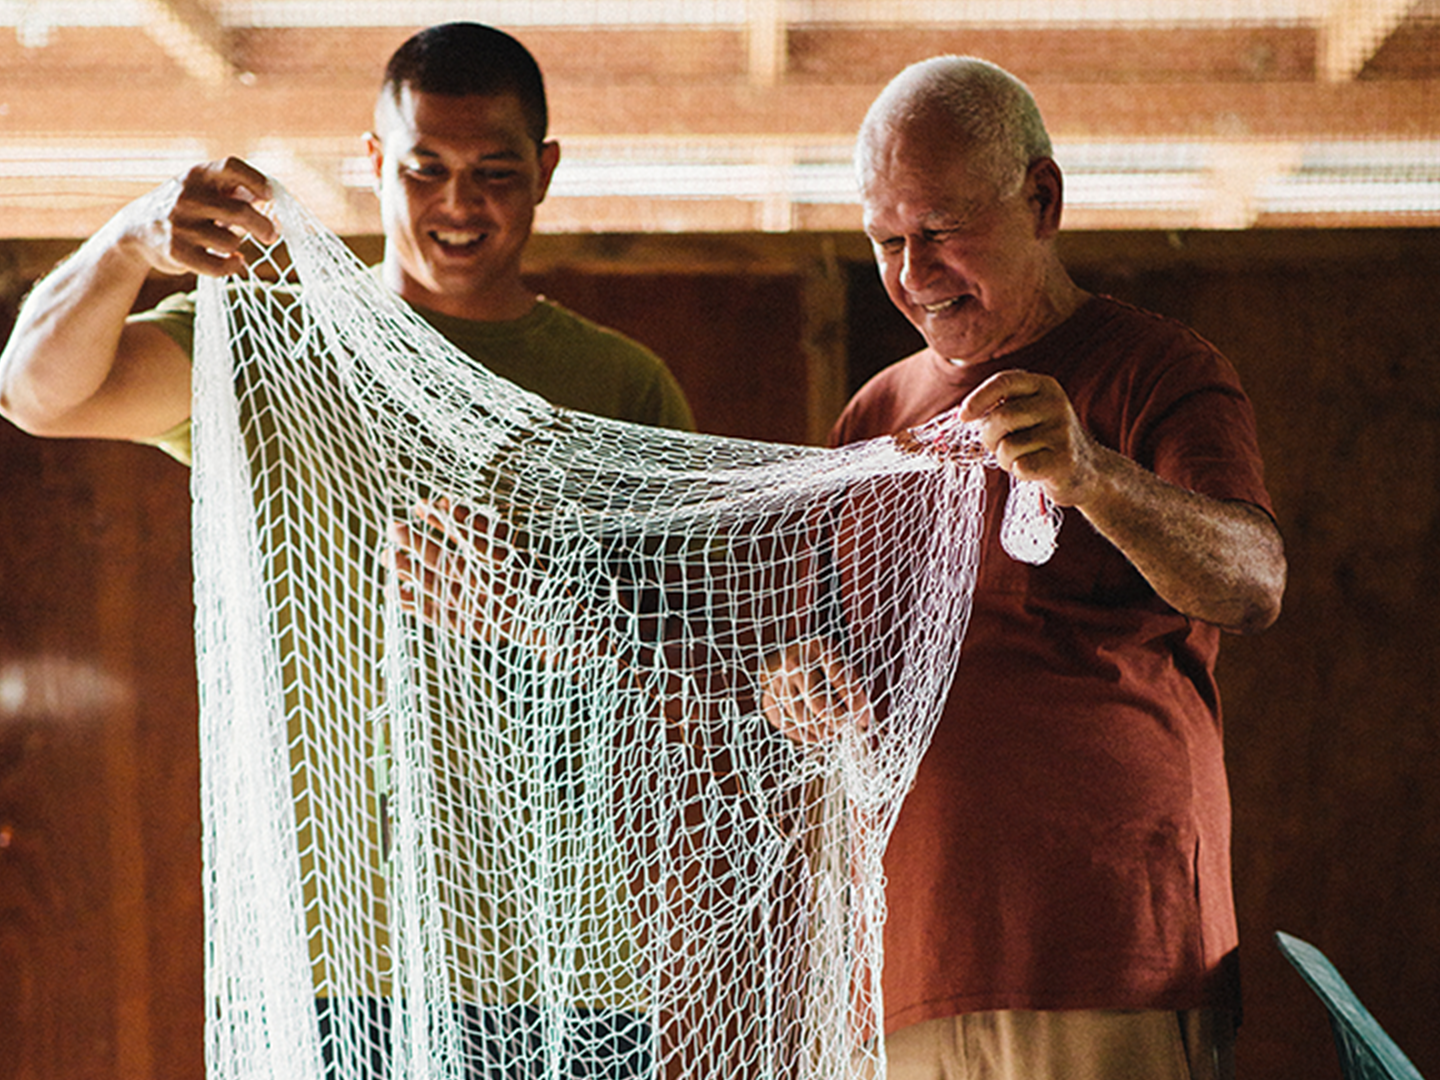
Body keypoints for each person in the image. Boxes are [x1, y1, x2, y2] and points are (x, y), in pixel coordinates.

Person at [0, 21, 692, 1080]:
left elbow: (696, 650)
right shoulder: (273, 347)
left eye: (494, 172)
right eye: (425, 170)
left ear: (546, 172)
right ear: (374, 165)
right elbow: (36, 393)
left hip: (566, 964)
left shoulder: (625, 388)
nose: (458, 204)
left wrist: (549, 617)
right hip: (321, 961)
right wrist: (128, 241)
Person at [767, 56, 1286, 1080]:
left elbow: (1254, 581)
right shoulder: (872, 418)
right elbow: (816, 654)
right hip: (903, 959)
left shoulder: (1158, 368)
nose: (914, 273)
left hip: (1108, 954)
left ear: (1041, 199)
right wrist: (800, 685)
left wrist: (1095, 475)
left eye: (942, 230)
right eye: (886, 241)